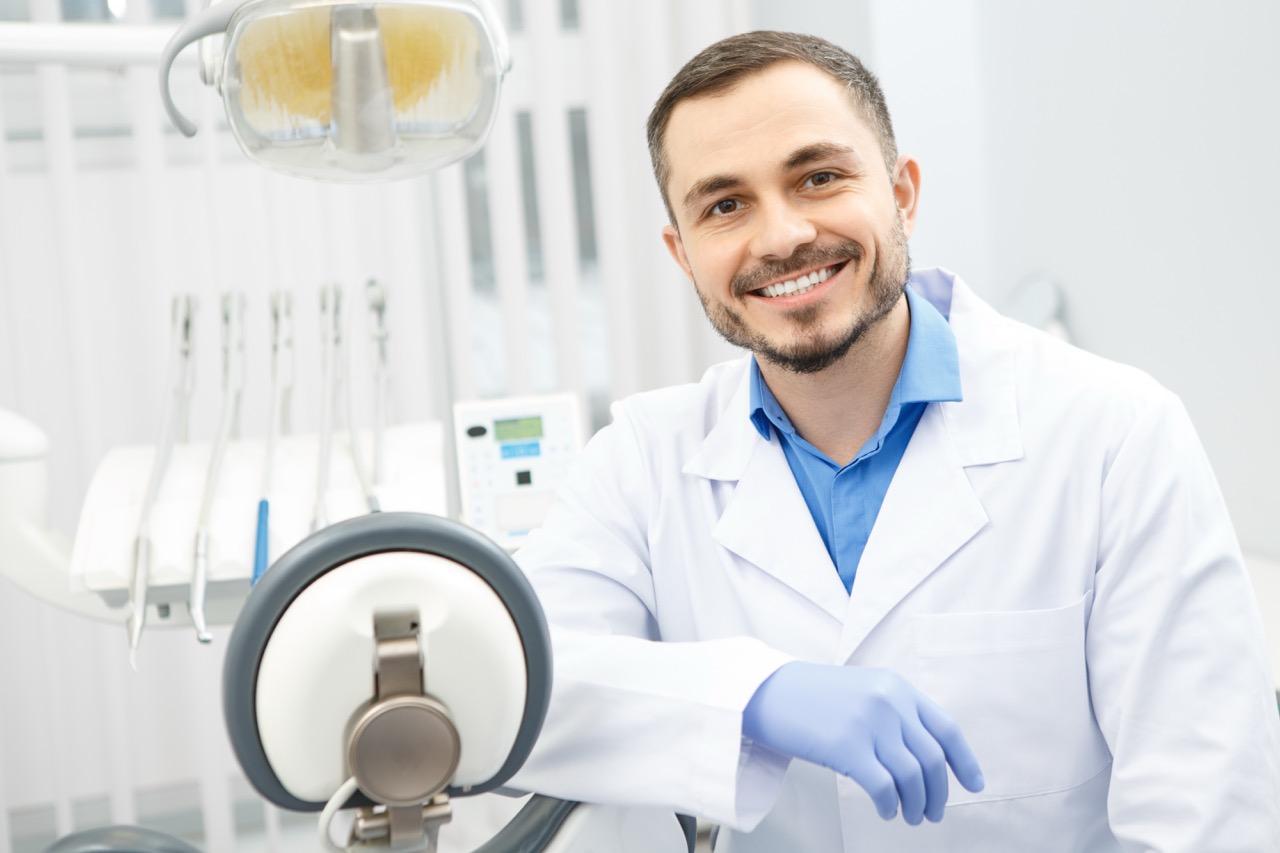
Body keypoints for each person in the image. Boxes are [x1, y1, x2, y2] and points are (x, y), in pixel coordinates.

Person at [506, 30, 1280, 851]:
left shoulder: (1115, 435)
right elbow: (512, 691)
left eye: (820, 176)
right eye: (724, 204)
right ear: (683, 254)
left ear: (903, 194)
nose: (780, 236)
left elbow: (1208, 814)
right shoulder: (642, 458)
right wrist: (757, 694)